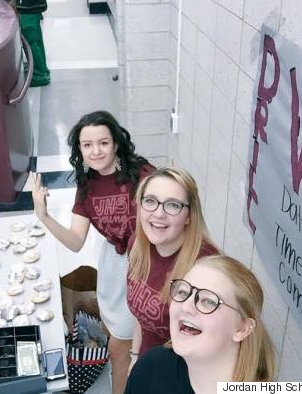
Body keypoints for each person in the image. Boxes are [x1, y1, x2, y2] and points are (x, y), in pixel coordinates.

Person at [31, 110, 154, 394]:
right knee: (119, 338)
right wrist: (44, 215)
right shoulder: (87, 187)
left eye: (103, 143)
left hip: (146, 263)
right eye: (87, 145)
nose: (96, 151)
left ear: (116, 143)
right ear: (79, 150)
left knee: (121, 346)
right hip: (114, 265)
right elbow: (75, 241)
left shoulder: (143, 174)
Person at [125, 255, 277, 393]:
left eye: (208, 301)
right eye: (183, 292)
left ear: (242, 329)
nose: (186, 306)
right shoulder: (152, 367)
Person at [126, 167, 220, 365]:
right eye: (150, 201)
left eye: (173, 205)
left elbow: (215, 345)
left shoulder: (206, 269)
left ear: (189, 216)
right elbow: (140, 317)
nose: (158, 214)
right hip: (148, 362)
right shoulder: (137, 245)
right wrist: (135, 356)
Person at [3, 0, 50, 87]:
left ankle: (38, 75)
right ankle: (42, 69)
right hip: (34, 6)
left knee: (30, 43)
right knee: (37, 41)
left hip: (29, 7)